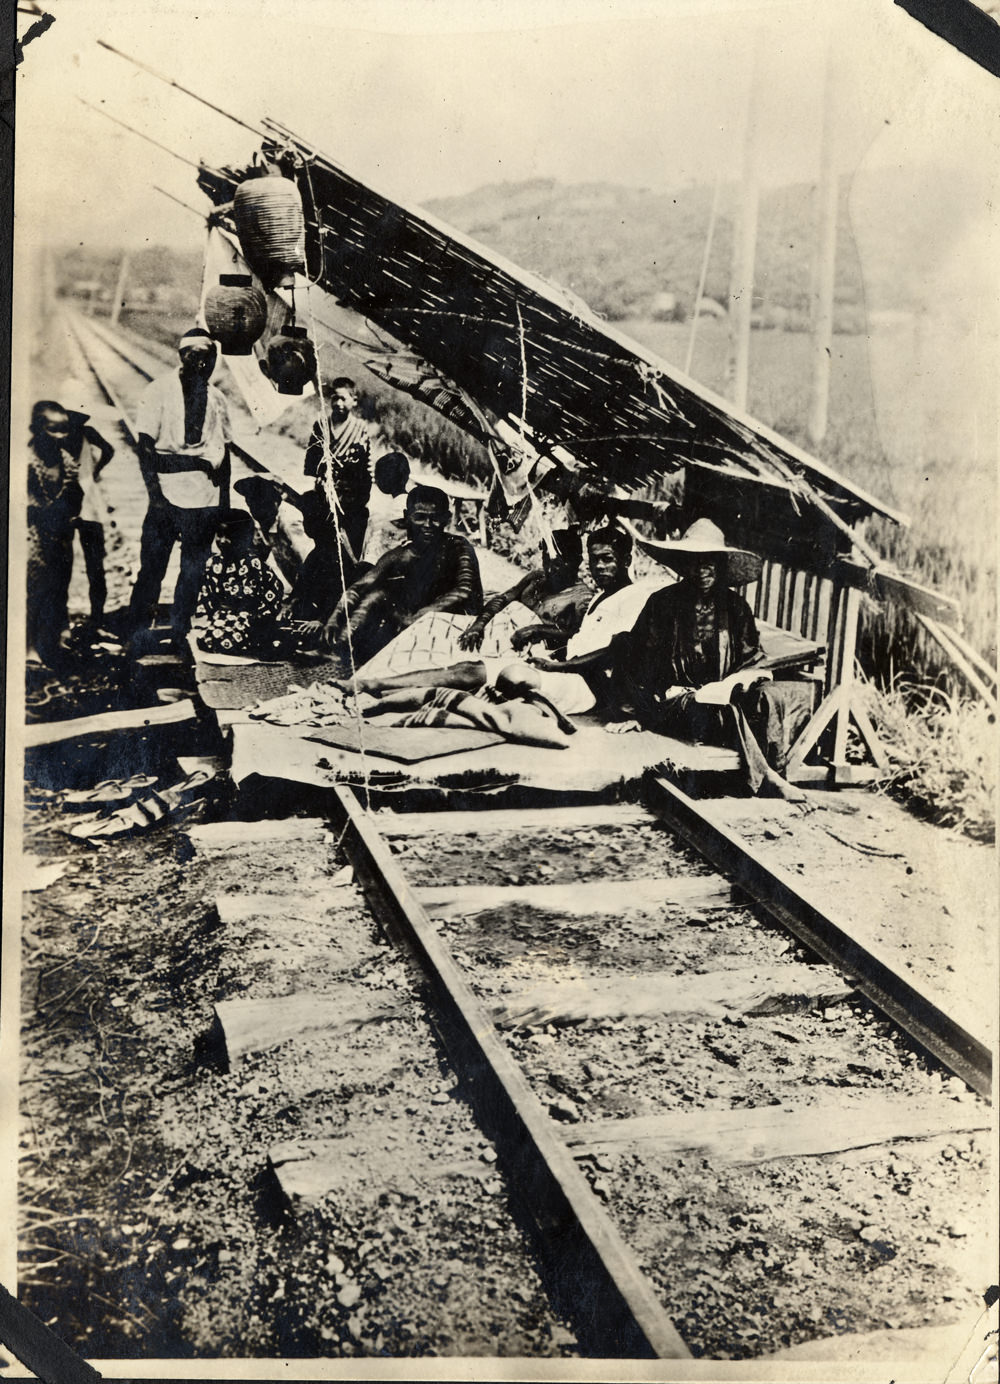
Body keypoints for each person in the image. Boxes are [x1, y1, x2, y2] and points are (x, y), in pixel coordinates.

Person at [602, 518, 813, 801]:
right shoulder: (662, 604)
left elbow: (753, 659)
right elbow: (634, 655)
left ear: (720, 565)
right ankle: (769, 781)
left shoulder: (736, 607)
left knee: (770, 696)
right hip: (676, 702)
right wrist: (634, 712)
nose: (701, 571)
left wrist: (742, 681)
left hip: (722, 696)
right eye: (693, 562)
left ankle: (774, 772)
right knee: (721, 711)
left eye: (709, 562)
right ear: (683, 565)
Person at [128, 328, 232, 644]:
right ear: (182, 357)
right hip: (167, 495)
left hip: (204, 499)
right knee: (152, 568)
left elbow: (224, 452)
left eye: (209, 358)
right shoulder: (158, 391)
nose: (202, 364)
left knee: (193, 571)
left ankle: (179, 630)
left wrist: (224, 504)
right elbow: (145, 449)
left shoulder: (217, 399)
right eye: (195, 356)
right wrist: (155, 496)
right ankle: (136, 632)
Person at [322, 484, 482, 666]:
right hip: (415, 623)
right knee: (377, 596)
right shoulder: (401, 554)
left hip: (457, 624)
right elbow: (361, 586)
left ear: (446, 519)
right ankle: (340, 646)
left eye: (435, 518)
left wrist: (421, 615)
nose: (428, 526)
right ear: (407, 518)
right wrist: (335, 616)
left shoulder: (458, 546)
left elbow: (464, 590)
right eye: (420, 518)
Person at [457, 527, 591, 655]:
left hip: (524, 649)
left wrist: (537, 630)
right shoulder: (537, 577)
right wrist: (478, 625)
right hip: (497, 629)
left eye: (557, 564)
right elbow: (503, 599)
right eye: (546, 560)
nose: (549, 569)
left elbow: (578, 635)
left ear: (577, 562)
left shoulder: (582, 597)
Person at [25, 401, 86, 665]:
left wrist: (68, 514)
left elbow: (74, 495)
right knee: (34, 588)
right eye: (54, 430)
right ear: (36, 430)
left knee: (58, 585)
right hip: (33, 532)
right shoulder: (25, 462)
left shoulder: (66, 461)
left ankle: (52, 639)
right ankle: (29, 646)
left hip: (60, 534)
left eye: (65, 430)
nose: (61, 437)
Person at [191, 509, 288, 658]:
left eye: (229, 536)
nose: (222, 541)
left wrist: (231, 617)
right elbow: (208, 594)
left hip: (253, 615)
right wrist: (214, 616)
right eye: (219, 534)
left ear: (243, 538)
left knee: (227, 640)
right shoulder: (213, 562)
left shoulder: (252, 563)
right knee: (206, 639)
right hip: (224, 614)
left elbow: (249, 602)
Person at [303, 377, 372, 563]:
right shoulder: (321, 425)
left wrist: (363, 490)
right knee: (324, 531)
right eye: (335, 398)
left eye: (343, 399)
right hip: (325, 487)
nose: (339, 403)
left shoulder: (360, 428)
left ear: (354, 401)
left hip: (350, 492)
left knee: (349, 531)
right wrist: (318, 476)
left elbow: (366, 464)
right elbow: (312, 458)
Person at [360, 451, 411, 565]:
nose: (376, 480)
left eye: (378, 476)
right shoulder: (406, 501)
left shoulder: (397, 506)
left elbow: (389, 542)